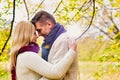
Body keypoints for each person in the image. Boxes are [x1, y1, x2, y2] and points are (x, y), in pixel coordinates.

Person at [9, 21, 77, 80]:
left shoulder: (21, 55)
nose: (37, 36)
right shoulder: (27, 55)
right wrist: (72, 51)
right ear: (26, 35)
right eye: (34, 33)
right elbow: (56, 73)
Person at [31, 10, 78, 80]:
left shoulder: (62, 40)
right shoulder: (50, 42)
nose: (39, 34)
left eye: (39, 30)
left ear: (49, 24)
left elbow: (56, 75)